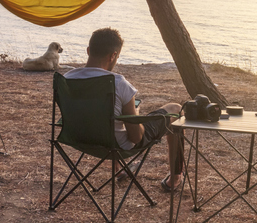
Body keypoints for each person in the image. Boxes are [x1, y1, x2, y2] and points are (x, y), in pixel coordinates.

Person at [63, 27, 185, 191]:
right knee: (175, 109)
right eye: (117, 57)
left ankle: (118, 169)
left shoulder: (67, 79)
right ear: (113, 55)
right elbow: (135, 137)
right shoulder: (119, 84)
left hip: (80, 139)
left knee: (111, 117)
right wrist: (137, 116)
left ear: (88, 51)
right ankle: (175, 177)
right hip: (115, 145)